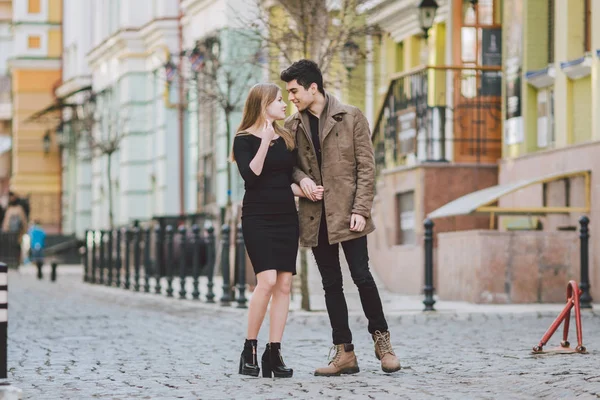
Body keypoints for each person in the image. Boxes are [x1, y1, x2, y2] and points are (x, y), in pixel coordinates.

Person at [281, 60, 401, 376]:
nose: (291, 97)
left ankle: (383, 341)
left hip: (349, 213)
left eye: (294, 90)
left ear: (312, 87)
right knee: (331, 283)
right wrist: (301, 179)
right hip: (315, 214)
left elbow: (367, 166)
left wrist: (361, 210)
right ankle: (344, 351)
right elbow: (288, 166)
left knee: (361, 276)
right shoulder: (292, 126)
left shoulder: (351, 117)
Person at [232, 83, 324, 378]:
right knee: (267, 280)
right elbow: (251, 175)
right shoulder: (243, 139)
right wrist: (264, 141)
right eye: (279, 100)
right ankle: (250, 348)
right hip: (258, 217)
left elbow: (285, 179)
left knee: (284, 285)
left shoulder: (286, 137)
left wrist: (306, 189)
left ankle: (274, 352)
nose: (285, 104)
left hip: (286, 216)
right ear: (263, 104)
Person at [1, 192, 28, 265]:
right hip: (16, 234)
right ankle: (16, 262)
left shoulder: (12, 209)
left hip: (12, 234)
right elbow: (24, 221)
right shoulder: (18, 209)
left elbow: (6, 223)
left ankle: (15, 262)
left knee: (13, 248)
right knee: (15, 248)